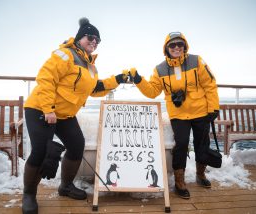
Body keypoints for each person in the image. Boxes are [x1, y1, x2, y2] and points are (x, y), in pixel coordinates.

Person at [22, 17, 128, 213]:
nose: (94, 42)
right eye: (90, 37)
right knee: (40, 151)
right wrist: (48, 109)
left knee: (76, 145)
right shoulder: (65, 55)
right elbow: (46, 79)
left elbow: (96, 88)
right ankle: (29, 194)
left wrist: (119, 79)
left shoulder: (90, 67)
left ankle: (66, 186)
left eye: (98, 40)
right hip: (40, 108)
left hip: (64, 114)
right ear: (80, 38)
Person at [128, 32, 219, 199]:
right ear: (166, 48)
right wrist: (138, 80)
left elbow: (210, 84)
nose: (176, 47)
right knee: (181, 144)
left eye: (180, 44)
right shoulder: (160, 69)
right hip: (178, 113)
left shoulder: (197, 61)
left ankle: (201, 175)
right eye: (172, 45)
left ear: (185, 46)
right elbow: (152, 91)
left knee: (202, 143)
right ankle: (179, 182)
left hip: (201, 111)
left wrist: (213, 108)